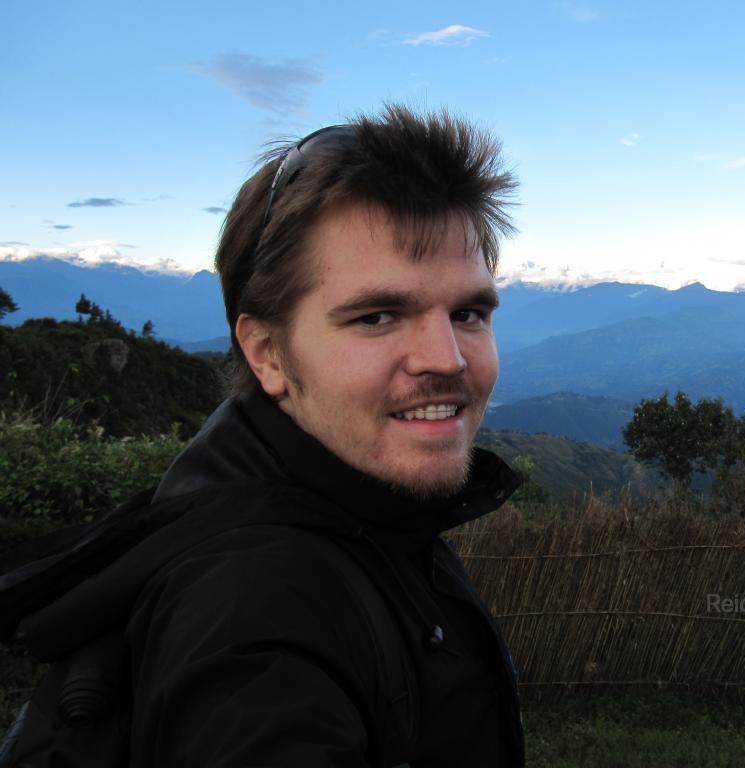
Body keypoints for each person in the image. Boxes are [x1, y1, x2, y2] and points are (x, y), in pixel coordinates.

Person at [0, 105, 524, 767]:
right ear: (267, 352)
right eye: (378, 315)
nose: (446, 358)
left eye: (469, 312)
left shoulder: (368, 512)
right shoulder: (256, 630)